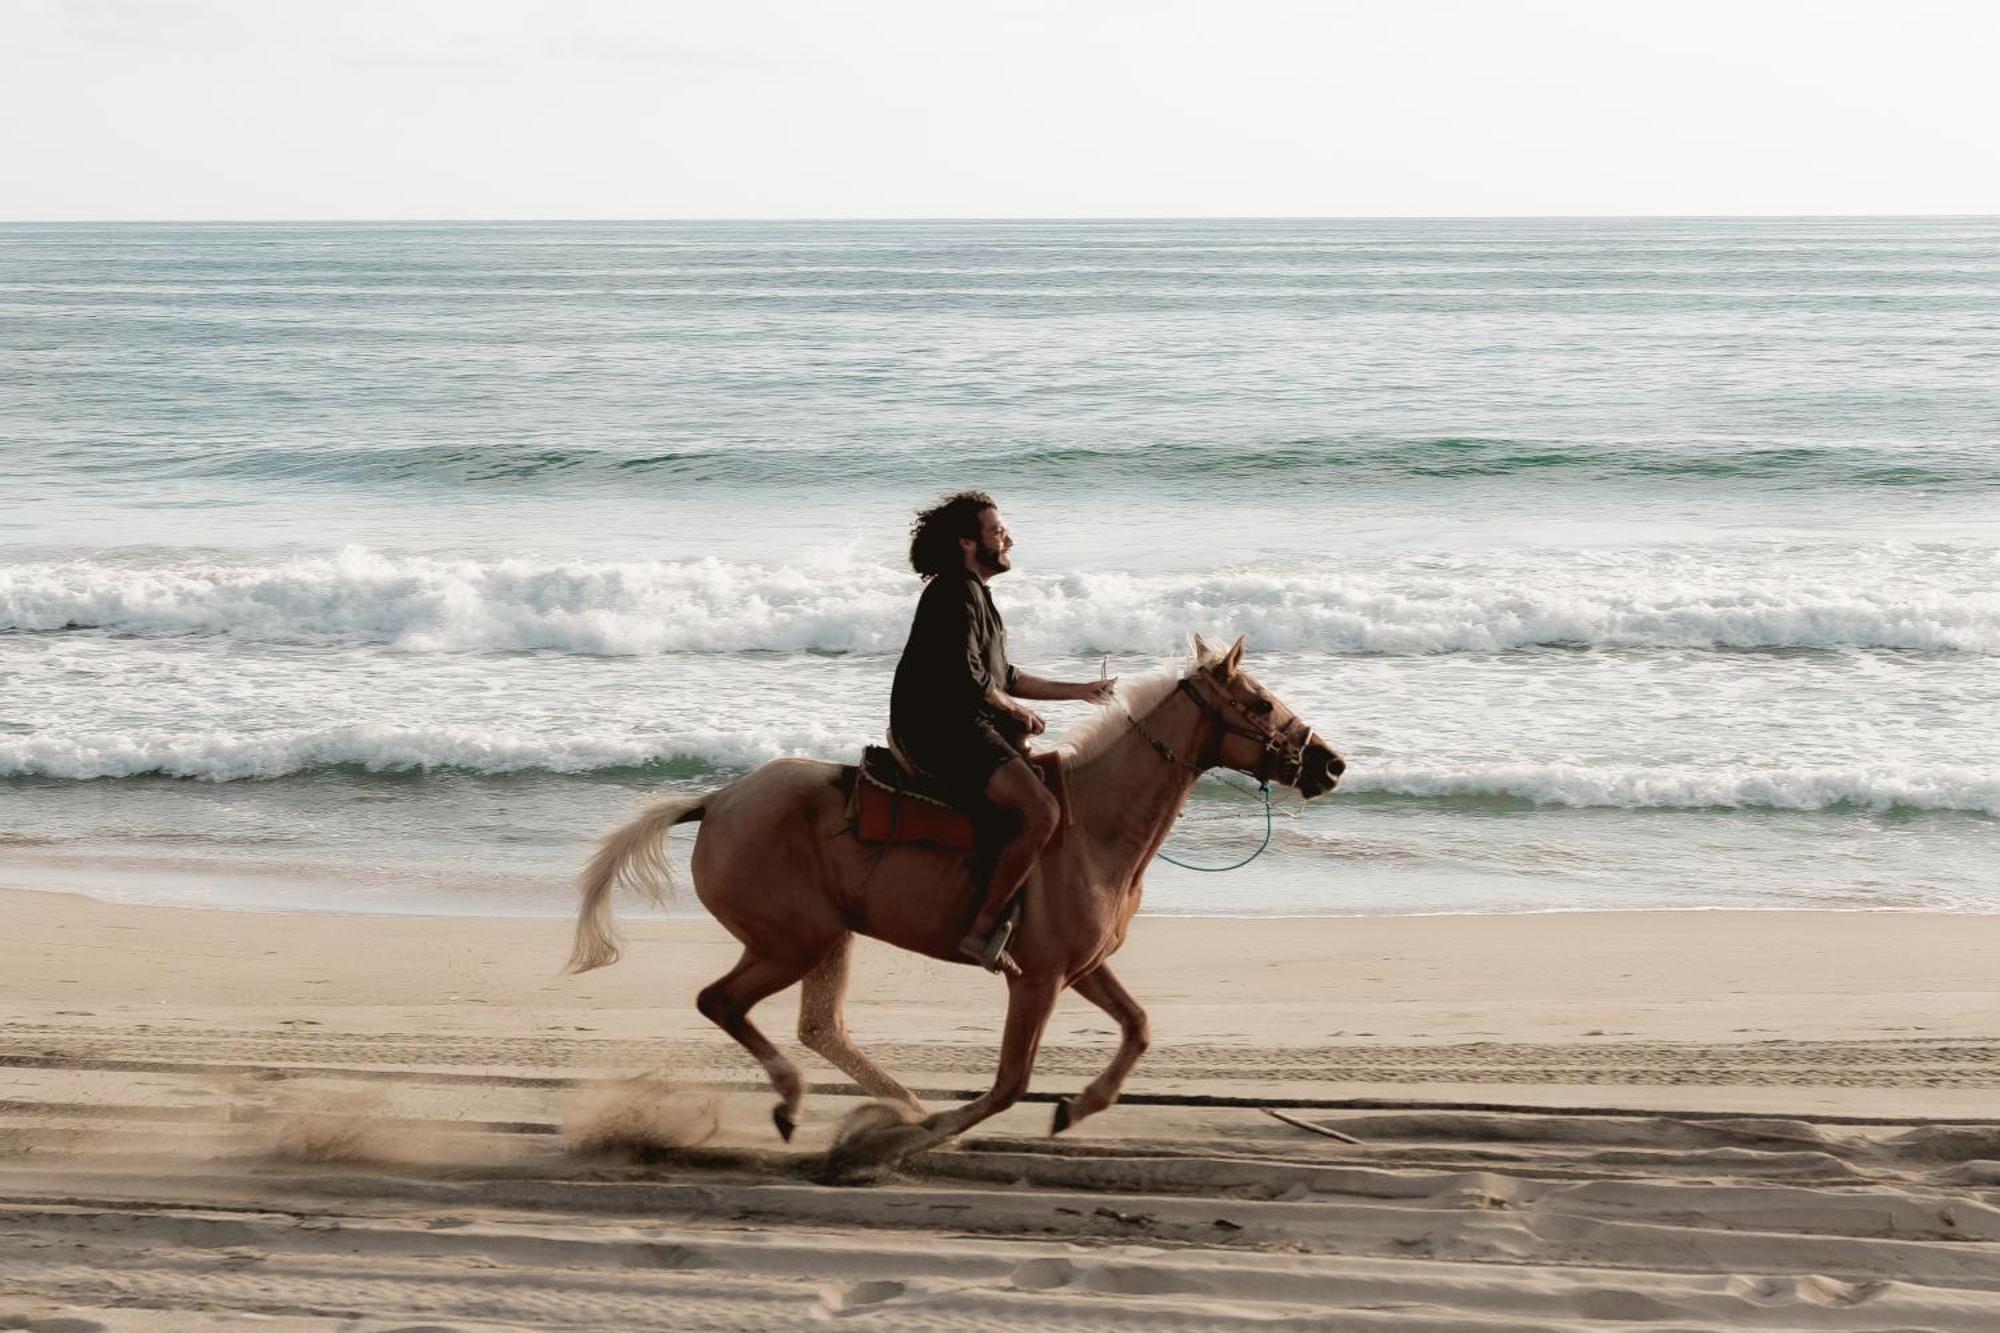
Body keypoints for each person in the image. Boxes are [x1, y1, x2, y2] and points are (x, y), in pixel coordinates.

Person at [889, 492, 1117, 974]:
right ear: (968, 542)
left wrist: (1079, 691)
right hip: (938, 730)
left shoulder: (976, 595)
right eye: (997, 531)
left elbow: (1003, 675)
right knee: (1041, 811)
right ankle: (981, 929)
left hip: (962, 723)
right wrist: (1013, 711)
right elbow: (968, 679)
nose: (1008, 539)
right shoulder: (953, 591)